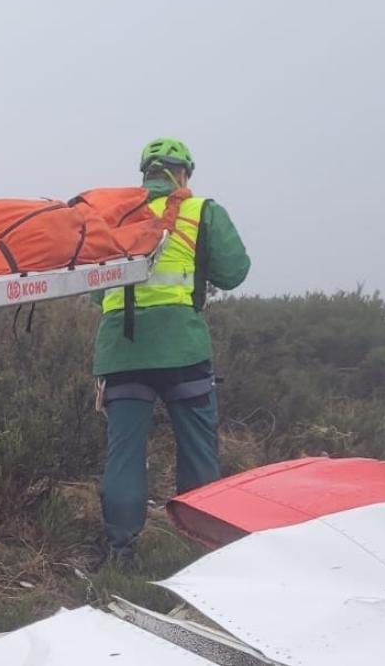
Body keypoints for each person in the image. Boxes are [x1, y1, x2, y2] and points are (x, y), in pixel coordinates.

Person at [94, 137, 250, 566]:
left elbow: (94, 290)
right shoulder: (203, 211)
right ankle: (203, 550)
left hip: (121, 352)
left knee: (125, 453)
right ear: (183, 174)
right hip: (183, 348)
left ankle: (120, 551)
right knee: (198, 449)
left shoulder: (114, 214)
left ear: (144, 173)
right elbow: (234, 272)